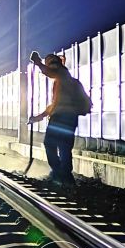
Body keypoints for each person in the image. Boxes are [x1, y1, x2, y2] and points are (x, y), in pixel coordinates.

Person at [28, 52, 91, 186]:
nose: (50, 67)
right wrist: (38, 117)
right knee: (64, 147)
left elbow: (49, 72)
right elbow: (54, 105)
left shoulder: (62, 75)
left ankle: (59, 174)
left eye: (51, 63)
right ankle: (65, 177)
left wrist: (38, 62)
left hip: (60, 118)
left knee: (51, 144)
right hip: (70, 119)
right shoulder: (65, 81)